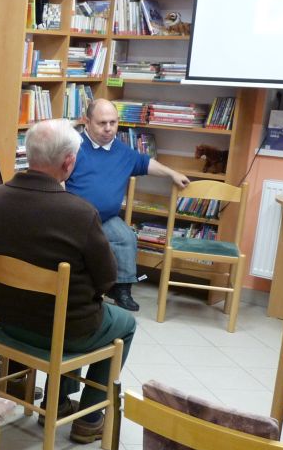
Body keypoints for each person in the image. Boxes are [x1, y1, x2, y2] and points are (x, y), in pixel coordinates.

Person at [0, 118, 135, 444]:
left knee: (69, 306)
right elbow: (107, 278)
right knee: (124, 323)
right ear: (68, 162)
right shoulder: (81, 212)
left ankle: (59, 402)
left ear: (28, 154)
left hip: (9, 318)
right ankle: (89, 418)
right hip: (64, 330)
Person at [65, 98, 190, 312]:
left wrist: (172, 173)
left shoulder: (122, 151)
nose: (108, 128)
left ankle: (121, 290)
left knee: (126, 237)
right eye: (102, 123)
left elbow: (146, 163)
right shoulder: (72, 147)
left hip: (105, 218)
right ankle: (80, 289)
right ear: (87, 121)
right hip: (74, 218)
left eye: (113, 123)